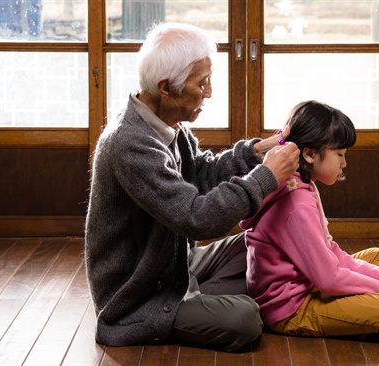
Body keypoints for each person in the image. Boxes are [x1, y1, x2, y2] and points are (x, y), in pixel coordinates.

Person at [84, 22, 300, 352]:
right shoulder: (129, 144)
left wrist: (256, 152)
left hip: (171, 264)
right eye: (203, 83)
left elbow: (201, 172)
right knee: (246, 320)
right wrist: (266, 177)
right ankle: (188, 303)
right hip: (138, 294)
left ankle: (200, 293)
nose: (210, 92)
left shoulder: (166, 123)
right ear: (166, 87)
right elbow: (196, 218)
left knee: (273, 241)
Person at [240, 100, 379, 339]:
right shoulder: (297, 203)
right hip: (290, 308)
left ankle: (361, 311)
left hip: (308, 281)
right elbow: (328, 278)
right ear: (310, 154)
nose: (344, 163)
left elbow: (329, 250)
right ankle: (360, 318)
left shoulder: (299, 182)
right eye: (340, 154)